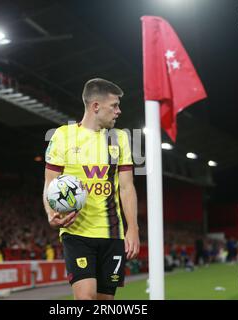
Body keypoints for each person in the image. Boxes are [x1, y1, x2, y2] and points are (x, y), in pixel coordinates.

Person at [43, 78, 140, 300]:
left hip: (112, 233)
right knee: (85, 297)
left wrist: (132, 228)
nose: (119, 111)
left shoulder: (120, 139)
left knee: (104, 302)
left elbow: (126, 187)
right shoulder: (62, 136)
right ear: (96, 106)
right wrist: (51, 214)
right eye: (114, 106)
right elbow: (50, 183)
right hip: (76, 233)